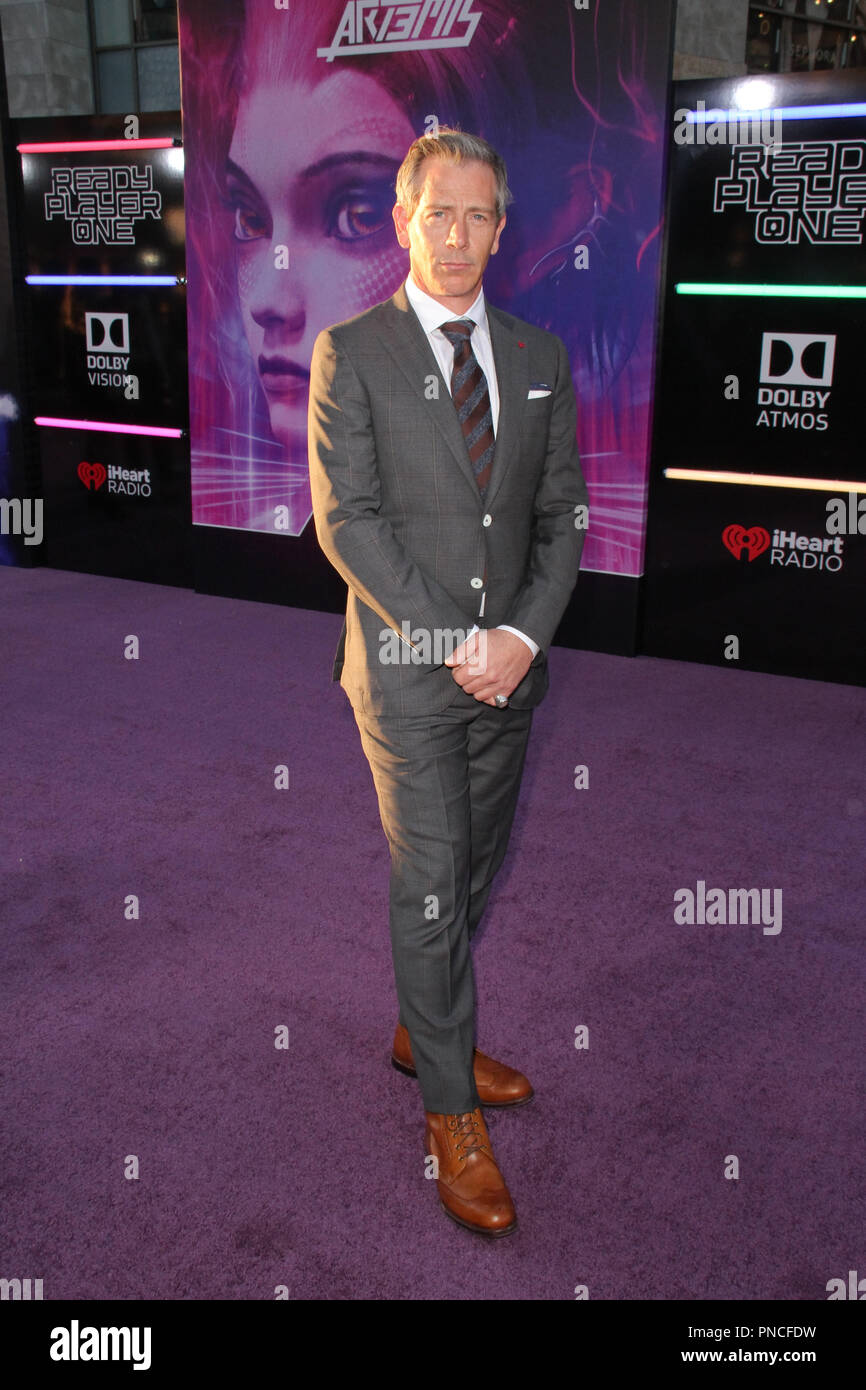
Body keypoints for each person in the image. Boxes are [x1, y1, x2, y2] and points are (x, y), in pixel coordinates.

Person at [308, 129, 588, 1236]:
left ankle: (424, 1022)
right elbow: (349, 523)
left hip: (511, 669)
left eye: (479, 216)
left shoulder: (536, 357)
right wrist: (451, 642)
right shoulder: (352, 352)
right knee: (432, 876)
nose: (459, 236)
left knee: (473, 868)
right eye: (440, 214)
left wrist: (518, 636)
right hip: (406, 672)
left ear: (501, 228)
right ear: (403, 223)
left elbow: (560, 515)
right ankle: (446, 1106)